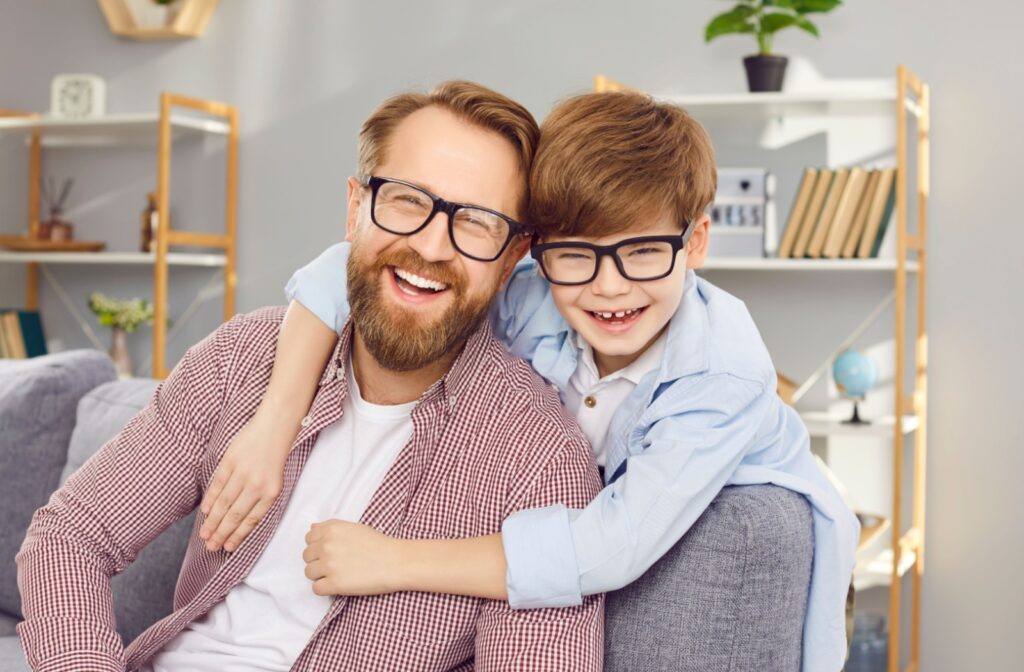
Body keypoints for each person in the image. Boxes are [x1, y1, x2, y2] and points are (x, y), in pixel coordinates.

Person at [204, 91, 860, 671]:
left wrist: (393, 560)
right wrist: (273, 425)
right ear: (535, 253)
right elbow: (339, 272)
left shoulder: (722, 371)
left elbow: (613, 545)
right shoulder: (532, 292)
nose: (609, 287)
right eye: (575, 255)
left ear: (696, 245)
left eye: (643, 253)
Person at [16, 81, 605, 672]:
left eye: (476, 222)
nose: (430, 245)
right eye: (406, 200)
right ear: (355, 209)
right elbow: (69, 539)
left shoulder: (539, 459)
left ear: (511, 260)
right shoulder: (242, 358)